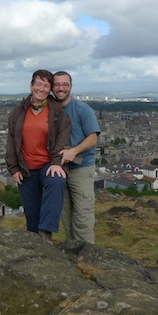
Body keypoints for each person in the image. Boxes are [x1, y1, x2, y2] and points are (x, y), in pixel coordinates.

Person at [6, 69, 71, 244]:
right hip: (25, 167)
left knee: (56, 181)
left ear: (50, 90)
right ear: (31, 85)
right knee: (31, 214)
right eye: (38, 84)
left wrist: (57, 162)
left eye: (46, 85)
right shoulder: (18, 112)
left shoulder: (56, 111)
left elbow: (63, 136)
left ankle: (47, 231)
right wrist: (13, 168)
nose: (41, 88)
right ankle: (35, 245)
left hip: (48, 164)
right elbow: (11, 140)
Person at [53, 71, 101, 244]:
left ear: (71, 86)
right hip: (59, 170)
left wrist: (74, 151)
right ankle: (74, 255)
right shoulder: (50, 110)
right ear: (52, 87)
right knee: (66, 216)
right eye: (57, 84)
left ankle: (87, 257)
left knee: (82, 217)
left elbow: (93, 138)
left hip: (81, 168)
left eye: (65, 84)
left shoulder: (82, 109)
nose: (61, 88)